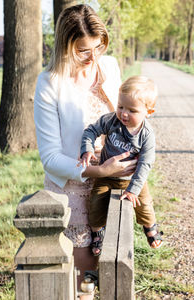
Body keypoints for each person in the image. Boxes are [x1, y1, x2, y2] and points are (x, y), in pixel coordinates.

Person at [34, 4, 137, 298]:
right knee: (85, 283)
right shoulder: (50, 83)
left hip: (115, 187)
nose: (93, 58)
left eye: (98, 47)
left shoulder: (110, 67)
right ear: (66, 47)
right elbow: (51, 157)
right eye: (83, 51)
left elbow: (129, 116)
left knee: (116, 270)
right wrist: (98, 170)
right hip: (75, 190)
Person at [80, 75, 163, 256]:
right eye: (120, 107)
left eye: (132, 110)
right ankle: (98, 233)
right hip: (106, 176)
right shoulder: (112, 121)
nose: (124, 113)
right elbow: (91, 130)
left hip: (131, 179)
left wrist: (133, 189)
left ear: (148, 112)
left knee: (145, 204)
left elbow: (145, 165)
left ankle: (150, 227)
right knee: (95, 203)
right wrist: (87, 150)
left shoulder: (146, 135)